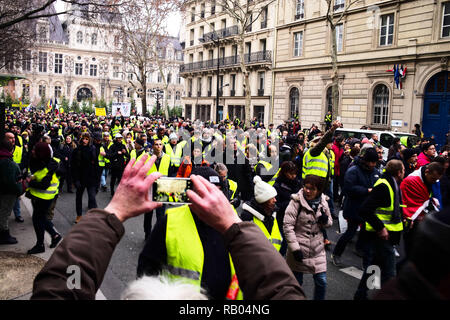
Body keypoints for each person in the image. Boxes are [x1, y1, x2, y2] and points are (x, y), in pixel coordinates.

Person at [30, 154, 305, 300]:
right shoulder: (173, 220)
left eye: (213, 190)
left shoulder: (245, 221)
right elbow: (280, 288)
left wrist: (114, 212)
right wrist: (234, 225)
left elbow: (65, 285)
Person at [353, 160, 405, 300]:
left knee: (373, 267)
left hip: (387, 235)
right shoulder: (384, 185)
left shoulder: (391, 183)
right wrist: (381, 228)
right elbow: (365, 210)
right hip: (382, 236)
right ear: (399, 172)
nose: (404, 172)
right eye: (403, 170)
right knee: (390, 273)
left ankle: (361, 294)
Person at [375, 209, 450, 300]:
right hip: (380, 233)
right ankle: (363, 292)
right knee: (375, 263)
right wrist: (380, 227)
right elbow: (367, 209)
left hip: (391, 232)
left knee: (382, 265)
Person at [283, 174, 333, 300]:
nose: (308, 191)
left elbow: (330, 222)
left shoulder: (323, 201)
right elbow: (288, 226)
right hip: (299, 250)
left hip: (317, 249)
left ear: (319, 191)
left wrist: (325, 220)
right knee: (296, 284)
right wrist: (295, 248)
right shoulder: (295, 201)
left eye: (312, 189)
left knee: (322, 282)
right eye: (306, 187)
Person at [331, 147, 380, 266]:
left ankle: (361, 253)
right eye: (372, 162)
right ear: (366, 160)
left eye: (375, 162)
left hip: (368, 209)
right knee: (350, 233)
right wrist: (366, 191)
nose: (373, 164)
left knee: (365, 234)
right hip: (354, 207)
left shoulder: (375, 172)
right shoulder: (353, 170)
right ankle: (336, 254)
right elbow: (348, 189)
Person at [400, 161, 444, 259]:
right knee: (410, 250)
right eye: (433, 178)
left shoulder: (434, 181)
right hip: (411, 218)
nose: (434, 181)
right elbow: (407, 201)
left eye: (436, 180)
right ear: (427, 172)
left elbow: (434, 196)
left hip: (423, 219)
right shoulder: (412, 180)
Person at [26, 142, 62, 254]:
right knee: (40, 218)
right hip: (38, 195)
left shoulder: (50, 166)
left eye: (35, 150)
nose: (32, 151)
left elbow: (44, 184)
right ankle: (55, 235)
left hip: (45, 197)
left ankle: (40, 245)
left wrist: (28, 183)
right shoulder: (39, 161)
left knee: (37, 220)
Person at [241, 176, 282, 252]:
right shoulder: (248, 216)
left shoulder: (272, 213)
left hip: (273, 258)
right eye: (271, 198)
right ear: (264, 200)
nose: (275, 200)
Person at [143, 138, 172, 239]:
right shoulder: (146, 157)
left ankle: (158, 237)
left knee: (160, 216)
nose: (158, 146)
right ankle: (147, 235)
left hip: (162, 189)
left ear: (162, 146)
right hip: (149, 188)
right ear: (152, 146)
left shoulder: (168, 157)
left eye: (160, 144)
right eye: (156, 144)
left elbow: (171, 172)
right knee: (148, 215)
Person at [273, 161, 302, 256]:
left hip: (297, 217)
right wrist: (292, 201)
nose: (293, 176)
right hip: (283, 218)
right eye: (291, 173)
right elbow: (276, 205)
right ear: (285, 173)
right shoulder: (278, 185)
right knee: (284, 243)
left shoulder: (297, 182)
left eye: (295, 173)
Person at [0, 132, 24, 244]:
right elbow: (10, 181)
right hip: (7, 193)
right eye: (10, 138)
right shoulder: (7, 162)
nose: (13, 140)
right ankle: (4, 236)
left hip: (5, 191)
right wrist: (19, 190)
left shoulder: (4, 158)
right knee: (4, 213)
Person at [71, 132, 98, 224]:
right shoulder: (77, 150)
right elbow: (73, 166)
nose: (85, 140)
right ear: (81, 139)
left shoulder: (93, 149)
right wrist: (75, 180)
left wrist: (97, 179)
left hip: (91, 177)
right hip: (80, 177)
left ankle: (93, 216)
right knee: (79, 197)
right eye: (84, 138)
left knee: (92, 197)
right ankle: (79, 215)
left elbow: (96, 164)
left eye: (87, 139)